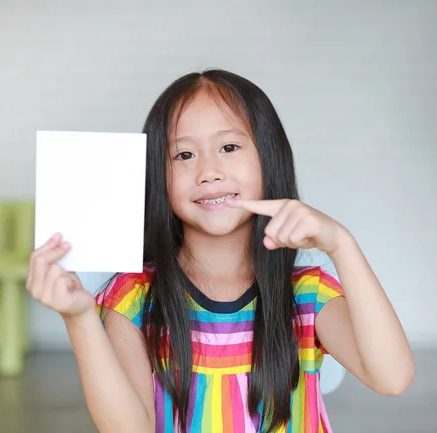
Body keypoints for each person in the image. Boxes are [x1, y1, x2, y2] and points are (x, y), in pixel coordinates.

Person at [26, 69, 414, 433]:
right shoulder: (133, 298)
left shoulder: (308, 293)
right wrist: (79, 318)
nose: (208, 171)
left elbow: (393, 379)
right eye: (184, 155)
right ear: (157, 176)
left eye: (229, 146)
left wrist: (341, 244)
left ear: (269, 157)